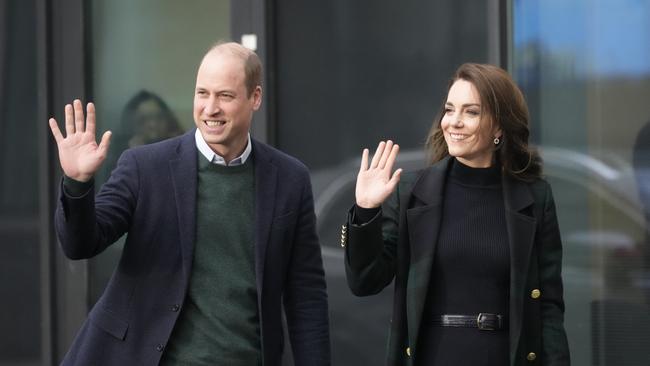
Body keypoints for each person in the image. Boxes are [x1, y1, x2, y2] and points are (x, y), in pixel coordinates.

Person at [48, 42, 330, 366]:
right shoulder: (146, 167)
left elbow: (306, 295)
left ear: (255, 98)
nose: (210, 108)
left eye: (225, 96)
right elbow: (80, 243)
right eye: (202, 93)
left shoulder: (289, 179)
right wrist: (77, 184)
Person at [341, 63, 570, 365]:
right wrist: (366, 211)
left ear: (499, 126)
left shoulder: (534, 198)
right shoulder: (412, 192)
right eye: (450, 110)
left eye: (471, 112)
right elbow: (365, 281)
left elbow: (549, 309)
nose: (454, 122)